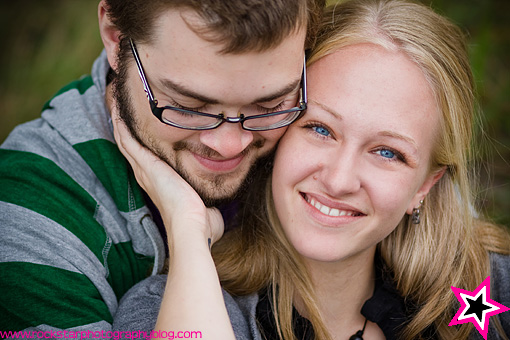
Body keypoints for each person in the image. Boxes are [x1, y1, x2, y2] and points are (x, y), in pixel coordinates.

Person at [111, 0, 510, 339]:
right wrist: (187, 226)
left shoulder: (490, 289)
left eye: (387, 152)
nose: (338, 180)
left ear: (426, 184)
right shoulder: (175, 307)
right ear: (279, 127)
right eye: (320, 129)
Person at [0, 0, 326, 332]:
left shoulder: (325, 124)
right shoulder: (28, 215)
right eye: (189, 105)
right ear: (115, 38)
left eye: (269, 103)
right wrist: (187, 227)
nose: (230, 145)